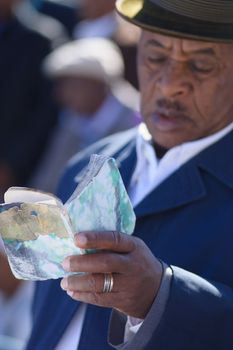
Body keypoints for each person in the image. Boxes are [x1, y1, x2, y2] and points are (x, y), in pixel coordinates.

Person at [26, 0, 233, 349]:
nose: (169, 85)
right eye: (155, 56)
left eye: (200, 65)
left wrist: (161, 296)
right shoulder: (84, 167)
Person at [29, 38, 139, 193]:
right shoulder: (72, 120)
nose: (59, 95)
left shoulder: (136, 120)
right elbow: (48, 179)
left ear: (96, 84)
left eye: (70, 85)